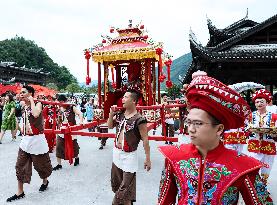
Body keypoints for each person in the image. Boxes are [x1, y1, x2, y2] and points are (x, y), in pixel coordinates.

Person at [157, 71, 273, 204]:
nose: (191, 129)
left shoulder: (242, 166)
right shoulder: (174, 157)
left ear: (219, 129)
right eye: (189, 122)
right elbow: (163, 201)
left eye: (198, 123)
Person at [6, 85, 52, 202]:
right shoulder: (22, 105)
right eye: (20, 92)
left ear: (30, 94)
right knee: (20, 165)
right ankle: (20, 192)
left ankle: (45, 181)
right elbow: (18, 117)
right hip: (26, 141)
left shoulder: (38, 104)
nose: (21, 94)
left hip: (37, 140)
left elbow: (36, 114)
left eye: (23, 92)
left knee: (40, 166)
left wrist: (31, 100)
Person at [108, 89, 151, 205]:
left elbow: (145, 140)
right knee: (117, 185)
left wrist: (148, 158)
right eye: (123, 97)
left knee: (124, 189)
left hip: (129, 156)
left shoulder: (139, 119)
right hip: (116, 153)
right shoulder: (120, 114)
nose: (123, 99)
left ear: (133, 101)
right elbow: (110, 126)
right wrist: (111, 113)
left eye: (126, 97)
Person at [245, 89, 277, 185]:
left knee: (266, 169)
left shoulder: (274, 117)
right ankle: (255, 187)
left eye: (261, 101)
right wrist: (249, 130)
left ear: (267, 102)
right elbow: (246, 129)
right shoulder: (250, 116)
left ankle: (263, 186)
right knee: (253, 168)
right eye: (257, 102)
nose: (259, 103)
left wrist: (273, 132)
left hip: (269, 146)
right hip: (254, 146)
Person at [52, 94, 84, 171]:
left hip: (71, 129)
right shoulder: (59, 108)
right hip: (62, 129)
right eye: (59, 102)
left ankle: (76, 157)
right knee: (59, 146)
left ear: (65, 101)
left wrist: (81, 121)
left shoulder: (71, 106)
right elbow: (58, 120)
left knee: (73, 145)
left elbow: (80, 113)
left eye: (61, 101)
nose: (60, 103)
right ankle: (59, 164)